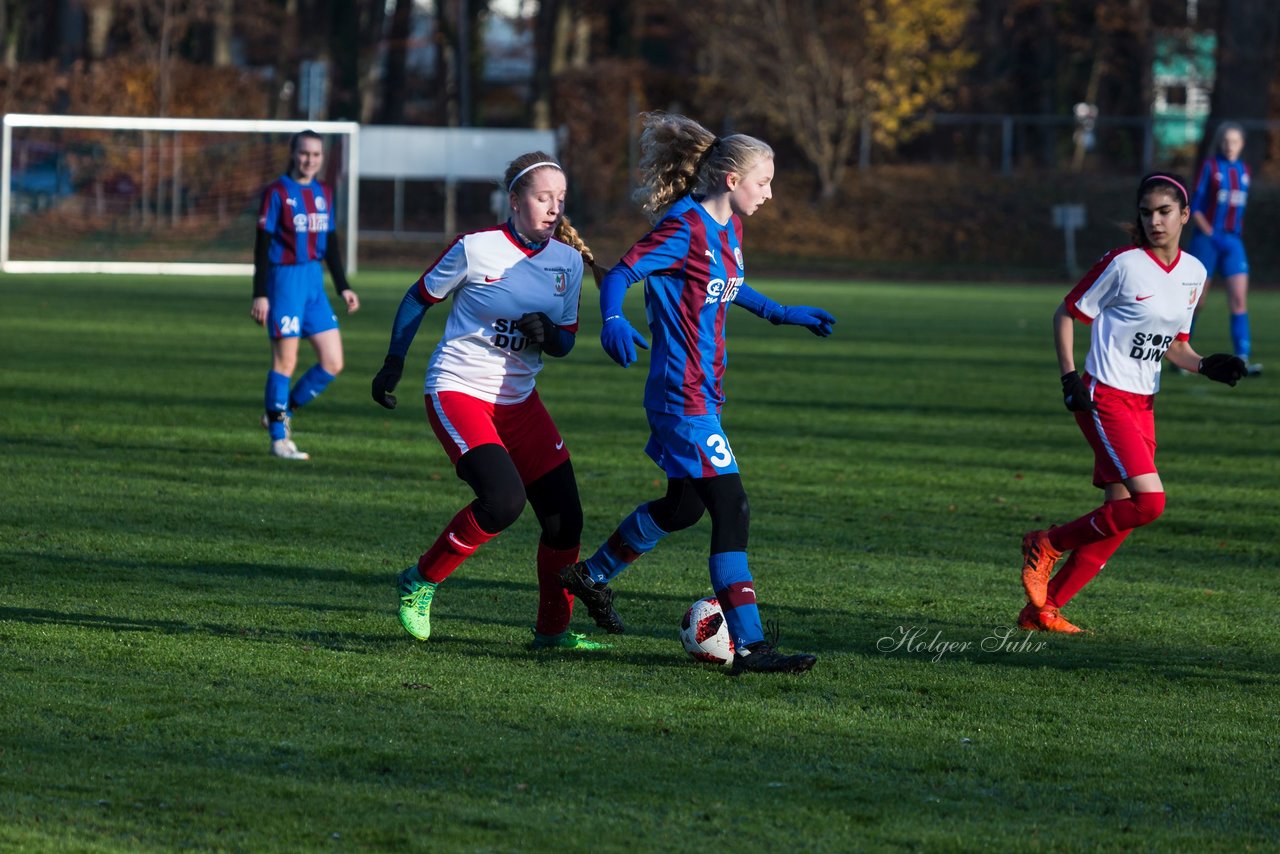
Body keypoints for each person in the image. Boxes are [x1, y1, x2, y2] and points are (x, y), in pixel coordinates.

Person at [557, 112, 836, 675]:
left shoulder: (730, 227)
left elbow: (725, 284)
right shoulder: (682, 227)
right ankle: (753, 648)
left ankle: (591, 574)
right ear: (732, 180)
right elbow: (621, 272)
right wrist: (611, 317)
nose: (771, 192)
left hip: (703, 394)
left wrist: (781, 313)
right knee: (731, 508)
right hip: (680, 397)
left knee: (683, 508)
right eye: (765, 181)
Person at [371, 151, 609, 651]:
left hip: (519, 402)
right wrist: (394, 363)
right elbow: (418, 297)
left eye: (560, 200)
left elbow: (565, 341)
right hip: (458, 389)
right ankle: (419, 581)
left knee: (565, 520)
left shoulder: (567, 261)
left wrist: (547, 334)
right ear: (515, 199)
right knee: (502, 502)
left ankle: (552, 631)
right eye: (543, 197)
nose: (553, 208)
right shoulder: (476, 248)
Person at [1019, 172, 1247, 633]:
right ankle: (1046, 543)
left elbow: (1175, 344)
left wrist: (1205, 365)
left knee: (1120, 512)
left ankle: (1042, 611)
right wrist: (1068, 377)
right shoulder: (1123, 263)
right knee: (1150, 503)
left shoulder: (1195, 273)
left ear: (1185, 215)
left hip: (1144, 401)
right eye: (1147, 213)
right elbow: (1067, 312)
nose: (1155, 221)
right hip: (1104, 394)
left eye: (1165, 212)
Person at [250, 130, 360, 460]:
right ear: (293, 153)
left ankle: (279, 413)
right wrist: (260, 294)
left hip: (314, 281)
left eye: (315, 154)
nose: (309, 160)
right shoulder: (276, 192)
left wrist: (343, 286)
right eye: (304, 153)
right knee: (286, 361)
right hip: (284, 281)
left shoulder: (324, 192)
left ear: (321, 158)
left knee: (333, 361)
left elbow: (332, 244)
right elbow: (262, 246)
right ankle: (278, 439)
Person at [1186, 122, 1261, 376]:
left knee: (1239, 300)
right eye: (1226, 141)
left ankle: (1243, 357)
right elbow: (1194, 206)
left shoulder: (1244, 171)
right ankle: (1181, 353)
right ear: (1220, 143)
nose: (1230, 146)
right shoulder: (1210, 167)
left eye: (1235, 141)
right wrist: (1208, 232)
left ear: (1242, 145)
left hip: (1232, 241)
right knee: (1197, 302)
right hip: (1207, 240)